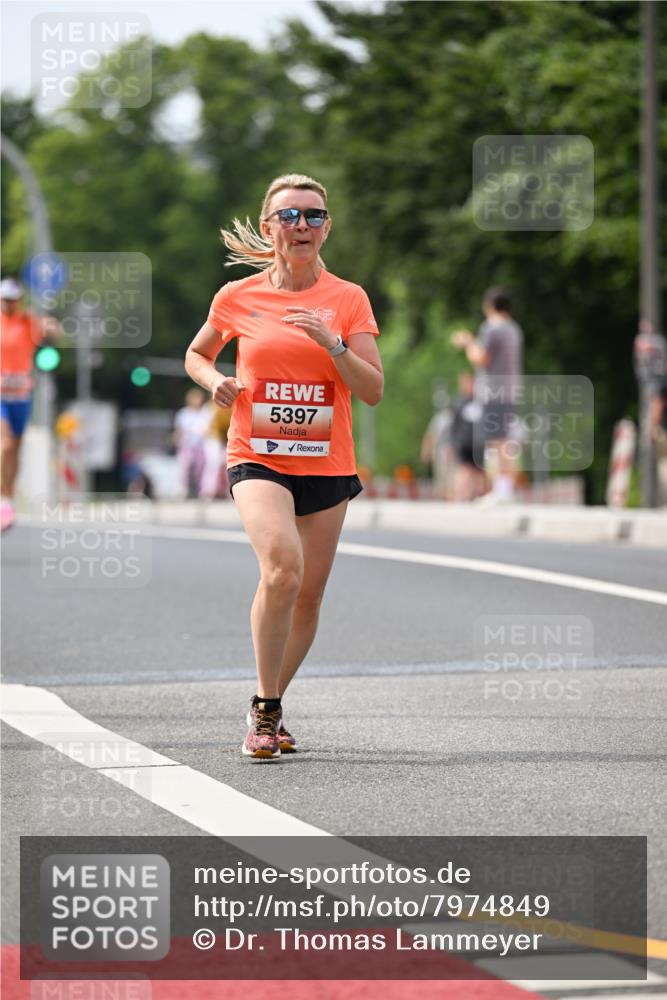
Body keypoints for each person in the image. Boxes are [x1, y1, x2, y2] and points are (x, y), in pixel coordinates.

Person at [184, 173, 383, 760]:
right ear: (269, 227)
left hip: (327, 462)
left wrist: (334, 344)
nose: (303, 226)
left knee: (308, 598)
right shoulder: (238, 297)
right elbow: (197, 353)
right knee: (281, 569)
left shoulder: (348, 299)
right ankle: (266, 712)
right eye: (291, 216)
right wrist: (215, 379)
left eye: (315, 216)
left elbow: (371, 391)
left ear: (327, 228)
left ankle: (268, 705)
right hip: (258, 456)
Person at [451, 287, 523, 503]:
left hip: (493, 391)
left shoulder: (492, 328)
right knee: (503, 438)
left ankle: (502, 490)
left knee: (496, 440)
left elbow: (480, 358)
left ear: (489, 306)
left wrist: (468, 342)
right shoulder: (514, 329)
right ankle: (504, 488)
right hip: (510, 389)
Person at [1, 276, 61, 531]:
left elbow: (55, 336)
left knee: (15, 447)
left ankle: (7, 499)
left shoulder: (27, 323)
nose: (9, 304)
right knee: (4, 444)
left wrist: (49, 324)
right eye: (5, 300)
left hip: (22, 394)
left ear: (19, 301)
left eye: (13, 300)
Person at [448, 371, 487, 501]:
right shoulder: (458, 402)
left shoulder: (482, 402)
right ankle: (460, 497)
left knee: (479, 472)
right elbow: (453, 425)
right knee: (465, 470)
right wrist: (452, 443)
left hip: (479, 442)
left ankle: (478, 495)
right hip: (465, 442)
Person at [172, 388, 211, 498]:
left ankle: (198, 490)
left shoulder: (205, 413)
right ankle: (184, 490)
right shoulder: (183, 413)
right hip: (186, 445)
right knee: (185, 468)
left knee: (200, 469)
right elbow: (179, 430)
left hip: (200, 446)